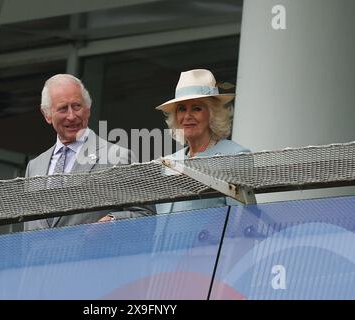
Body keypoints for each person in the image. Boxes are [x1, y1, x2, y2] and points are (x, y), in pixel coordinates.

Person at [24, 74, 154, 230]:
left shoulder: (118, 157)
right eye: (63, 108)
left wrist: (112, 222)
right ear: (47, 114)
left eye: (77, 106)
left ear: (88, 109)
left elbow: (146, 217)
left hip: (95, 254)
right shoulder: (35, 166)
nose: (71, 116)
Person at [155, 69, 250, 213]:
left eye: (196, 108)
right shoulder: (168, 162)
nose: (187, 116)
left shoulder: (235, 156)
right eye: (181, 109)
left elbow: (241, 217)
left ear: (213, 114)